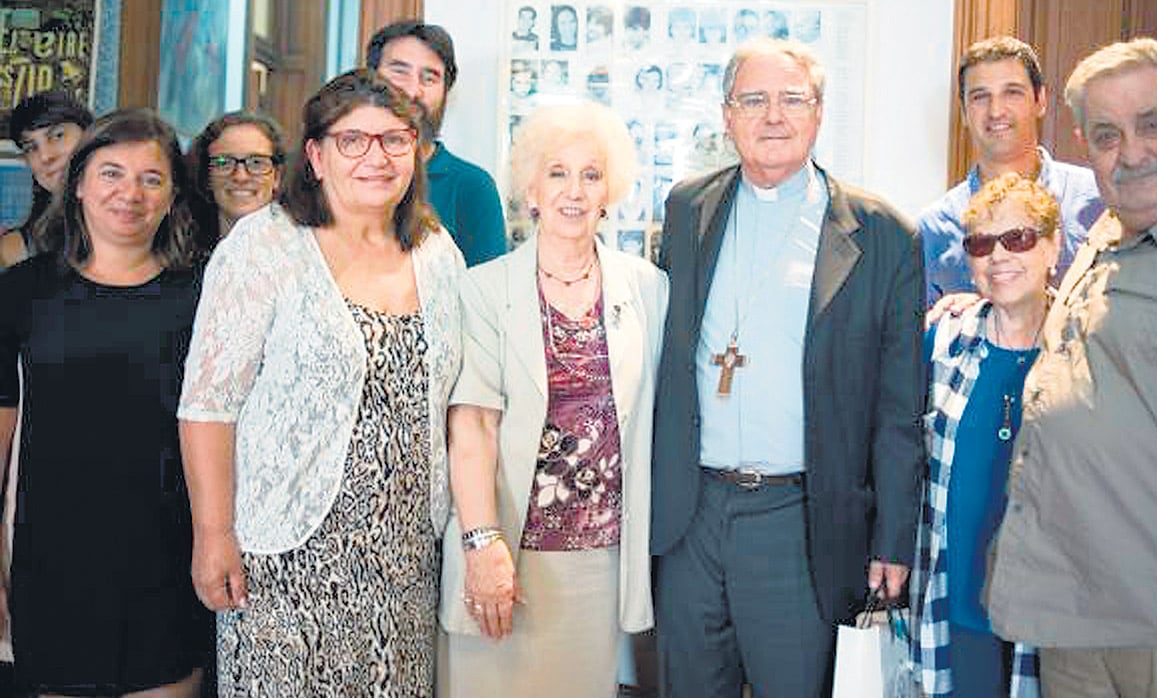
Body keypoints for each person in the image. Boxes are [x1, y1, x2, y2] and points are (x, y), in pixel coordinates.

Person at [652, 38, 924, 697]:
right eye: (753, 100)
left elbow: (897, 408)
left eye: (790, 99)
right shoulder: (687, 208)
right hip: (693, 514)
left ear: (818, 112)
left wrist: (891, 536)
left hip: (800, 519)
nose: (772, 116)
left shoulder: (881, 233)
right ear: (725, 115)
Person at [178, 70, 463, 697]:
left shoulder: (437, 251)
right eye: (352, 140)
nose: (376, 156)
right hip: (284, 553)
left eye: (394, 139)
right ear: (315, 154)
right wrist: (214, 534)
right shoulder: (267, 244)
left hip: (404, 557)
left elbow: (457, 403)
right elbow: (207, 405)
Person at [986, 38, 1157, 697]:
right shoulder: (1106, 229)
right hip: (1078, 615)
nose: (1130, 153)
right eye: (1105, 135)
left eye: (1151, 124)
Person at [439, 101, 668, 698]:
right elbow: (472, 428)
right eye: (557, 173)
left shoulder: (647, 287)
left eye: (591, 175)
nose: (574, 191)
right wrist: (481, 543)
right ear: (531, 188)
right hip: (505, 554)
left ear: (608, 189)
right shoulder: (484, 288)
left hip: (599, 564)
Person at [0, 108, 210, 697]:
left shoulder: (203, 296)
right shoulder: (23, 291)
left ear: (172, 196)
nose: (130, 193)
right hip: (54, 563)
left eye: (151, 178)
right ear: (81, 184)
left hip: (170, 561)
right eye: (112, 173)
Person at [912, 172, 1056, 698]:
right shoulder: (942, 337)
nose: (999, 257)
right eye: (980, 243)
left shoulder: (1083, 345)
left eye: (1017, 238)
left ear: (1053, 245)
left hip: (1052, 612)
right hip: (956, 598)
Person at [919, 36, 1103, 304]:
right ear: (963, 112)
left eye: (1012, 92)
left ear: (1040, 100)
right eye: (980, 97)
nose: (996, 111)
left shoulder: (1100, 202)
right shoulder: (934, 228)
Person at [367, 21, 507, 266]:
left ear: (446, 91)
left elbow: (486, 299)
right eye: (399, 71)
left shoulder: (473, 188)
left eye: (429, 78)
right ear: (370, 76)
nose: (413, 91)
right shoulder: (341, 170)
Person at [0, 91, 93, 268]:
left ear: (90, 134)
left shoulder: (144, 222)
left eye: (58, 136)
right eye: (31, 147)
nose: (45, 156)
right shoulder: (16, 250)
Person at [188, 110, 285, 249]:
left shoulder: (302, 257)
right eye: (224, 162)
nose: (240, 176)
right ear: (207, 176)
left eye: (256, 163)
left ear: (276, 176)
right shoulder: (183, 260)